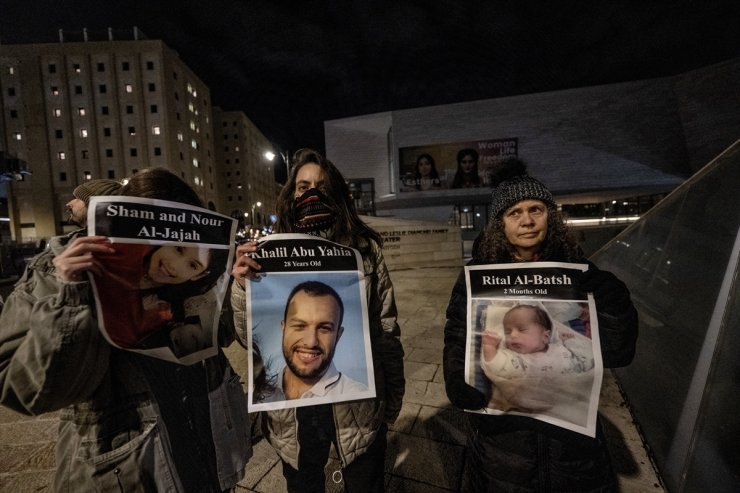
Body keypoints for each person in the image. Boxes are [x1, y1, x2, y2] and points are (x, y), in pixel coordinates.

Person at [0, 168, 250, 492]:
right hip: (128, 470)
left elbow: (221, 336)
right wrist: (71, 297)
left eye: (191, 264)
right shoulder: (59, 268)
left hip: (206, 452)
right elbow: (27, 389)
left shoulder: (189, 286)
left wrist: (238, 287)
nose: (175, 266)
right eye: (169, 246)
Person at [444, 158, 638, 491]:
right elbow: (459, 339)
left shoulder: (580, 275)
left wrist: (614, 305)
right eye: (514, 213)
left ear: (551, 216)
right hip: (503, 447)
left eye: (536, 209)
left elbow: (617, 352)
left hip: (572, 450)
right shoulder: (476, 281)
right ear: (499, 223)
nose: (528, 221)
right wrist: (458, 377)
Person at [232, 148, 404, 492]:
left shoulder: (364, 252)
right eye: (302, 186)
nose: (312, 193)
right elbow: (247, 338)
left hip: (357, 406)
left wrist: (392, 399)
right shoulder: (267, 252)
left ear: (336, 193)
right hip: (294, 415)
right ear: (291, 194)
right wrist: (241, 287)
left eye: (322, 186)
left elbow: (386, 328)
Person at [92, 242, 229, 349]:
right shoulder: (118, 259)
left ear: (198, 275)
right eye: (178, 249)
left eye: (192, 265)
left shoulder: (170, 311)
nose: (173, 265)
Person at [263, 280, 368, 402]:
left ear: (338, 336)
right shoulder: (258, 394)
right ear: (283, 328)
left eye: (324, 328)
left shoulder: (359, 397)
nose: (311, 342)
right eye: (300, 326)